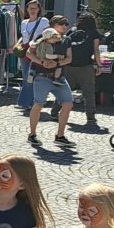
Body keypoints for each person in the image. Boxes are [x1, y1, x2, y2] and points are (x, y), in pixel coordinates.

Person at [26, 15, 75, 148]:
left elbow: (69, 58)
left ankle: (60, 136)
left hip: (59, 77)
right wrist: (42, 62)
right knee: (38, 104)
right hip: (42, 76)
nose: (64, 27)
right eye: (61, 24)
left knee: (68, 103)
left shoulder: (67, 40)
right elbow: (29, 53)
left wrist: (57, 63)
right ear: (53, 25)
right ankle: (32, 134)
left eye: (66, 24)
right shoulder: (43, 37)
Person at [56, 13, 102, 123]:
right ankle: (90, 116)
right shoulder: (94, 33)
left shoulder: (72, 31)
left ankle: (54, 111)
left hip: (70, 64)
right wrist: (99, 64)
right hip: (86, 65)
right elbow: (96, 50)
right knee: (89, 91)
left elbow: (65, 45)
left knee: (64, 90)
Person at [17, 0, 49, 111]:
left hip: (37, 51)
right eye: (30, 8)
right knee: (26, 77)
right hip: (25, 52)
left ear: (39, 10)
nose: (32, 10)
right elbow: (23, 36)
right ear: (27, 9)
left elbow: (47, 36)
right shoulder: (24, 22)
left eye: (35, 8)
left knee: (35, 77)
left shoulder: (44, 21)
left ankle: (33, 101)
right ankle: (26, 102)